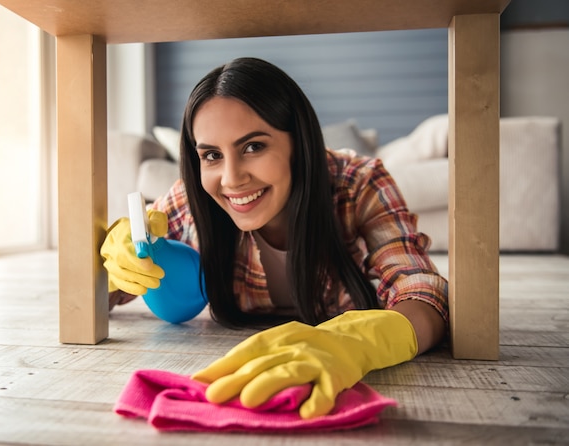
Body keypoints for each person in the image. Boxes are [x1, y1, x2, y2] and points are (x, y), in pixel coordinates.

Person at [101, 57, 448, 419]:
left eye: (253, 147)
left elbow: (423, 291)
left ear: (297, 143)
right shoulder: (192, 201)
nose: (231, 179)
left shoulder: (358, 184)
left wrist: (359, 342)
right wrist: (110, 265)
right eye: (212, 155)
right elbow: (112, 286)